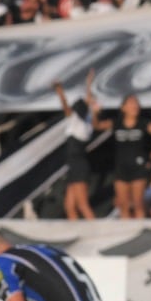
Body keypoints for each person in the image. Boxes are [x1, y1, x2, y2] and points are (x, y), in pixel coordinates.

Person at [92, 94, 151, 218]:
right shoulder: (117, 123)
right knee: (123, 206)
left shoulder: (143, 123)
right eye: (131, 103)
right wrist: (94, 112)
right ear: (123, 107)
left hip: (138, 169)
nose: (134, 106)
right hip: (121, 169)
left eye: (136, 103)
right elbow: (97, 125)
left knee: (138, 204)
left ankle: (140, 232)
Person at [53, 75, 97, 220]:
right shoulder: (86, 123)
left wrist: (60, 91)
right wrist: (88, 84)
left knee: (82, 205)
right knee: (70, 206)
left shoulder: (77, 123)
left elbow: (65, 106)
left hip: (78, 166)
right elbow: (88, 104)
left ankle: (99, 234)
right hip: (74, 165)